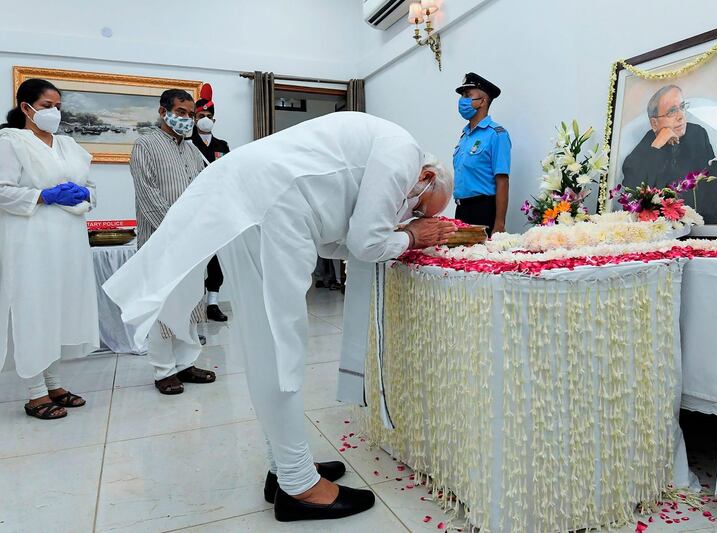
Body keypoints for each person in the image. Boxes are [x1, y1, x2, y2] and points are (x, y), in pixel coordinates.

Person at [103, 112, 456, 522]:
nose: (410, 215)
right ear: (427, 175)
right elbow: (364, 243)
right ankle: (298, 486)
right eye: (418, 209)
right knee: (277, 345)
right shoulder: (404, 152)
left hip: (264, 206)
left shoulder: (386, 151)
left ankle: (285, 467)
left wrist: (401, 237)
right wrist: (413, 236)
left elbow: (336, 243)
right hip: (268, 208)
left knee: (270, 343)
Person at [0, 78, 99, 420]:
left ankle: (54, 383)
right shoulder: (11, 142)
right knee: (33, 310)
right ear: (26, 107)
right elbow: (1, 190)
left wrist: (85, 194)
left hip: (67, 243)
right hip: (30, 242)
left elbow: (90, 186)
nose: (54, 112)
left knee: (58, 311)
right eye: (46, 106)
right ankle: (34, 393)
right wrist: (43, 195)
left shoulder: (68, 145)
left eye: (58, 106)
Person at [130, 88, 214, 395]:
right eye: (181, 112)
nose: (187, 119)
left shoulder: (192, 150)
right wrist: (174, 231)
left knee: (190, 302)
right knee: (163, 306)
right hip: (160, 241)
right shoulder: (145, 144)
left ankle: (185, 363)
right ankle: (164, 370)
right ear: (163, 111)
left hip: (192, 243)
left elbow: (203, 192)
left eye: (191, 114)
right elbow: (147, 194)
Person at [621, 84, 717, 223]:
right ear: (654, 123)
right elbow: (633, 201)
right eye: (671, 111)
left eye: (682, 107)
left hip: (703, 226)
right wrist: (656, 147)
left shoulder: (697, 134)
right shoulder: (640, 155)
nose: (681, 116)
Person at [453, 72, 512, 235]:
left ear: (483, 101)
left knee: (480, 258)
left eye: (467, 95)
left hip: (483, 210)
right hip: (461, 209)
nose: (462, 101)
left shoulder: (496, 134)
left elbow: (502, 180)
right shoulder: (465, 136)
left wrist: (499, 223)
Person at [190, 83, 230, 322]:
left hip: (216, 207)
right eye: (201, 116)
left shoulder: (222, 146)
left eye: (208, 116)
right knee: (194, 259)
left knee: (216, 259)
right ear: (194, 118)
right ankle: (193, 305)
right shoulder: (186, 143)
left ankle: (212, 304)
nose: (205, 120)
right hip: (193, 207)